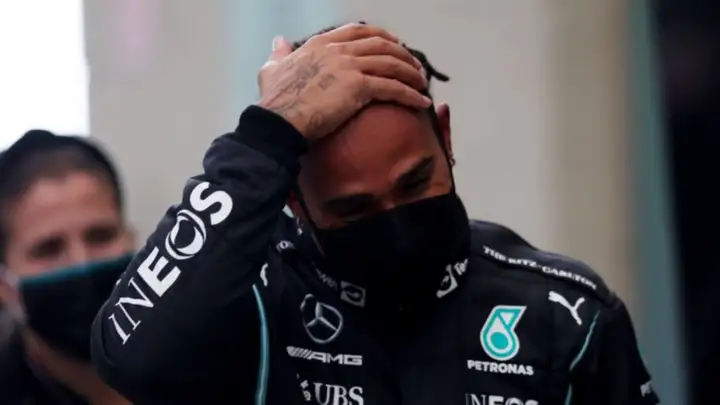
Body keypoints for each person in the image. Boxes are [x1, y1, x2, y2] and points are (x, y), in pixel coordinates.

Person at [92, 23, 660, 405]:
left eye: (415, 183)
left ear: (445, 136)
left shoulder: (563, 315)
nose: (394, 220)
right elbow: (131, 357)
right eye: (354, 208)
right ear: (294, 200)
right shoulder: (256, 303)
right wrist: (264, 139)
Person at [0, 130, 133, 405]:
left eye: (101, 236)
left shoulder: (208, 354)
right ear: (3, 286)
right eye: (49, 249)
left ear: (131, 240)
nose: (82, 263)